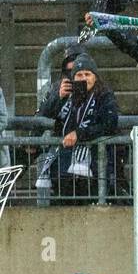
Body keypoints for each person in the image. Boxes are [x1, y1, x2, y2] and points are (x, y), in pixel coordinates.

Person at [35, 53, 120, 200]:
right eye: (79, 75)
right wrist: (57, 98)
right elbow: (42, 118)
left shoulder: (104, 94)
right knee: (63, 205)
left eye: (88, 74)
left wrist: (79, 134)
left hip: (93, 165)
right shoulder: (64, 93)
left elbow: (109, 123)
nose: (84, 78)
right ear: (73, 78)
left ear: (95, 77)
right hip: (62, 165)